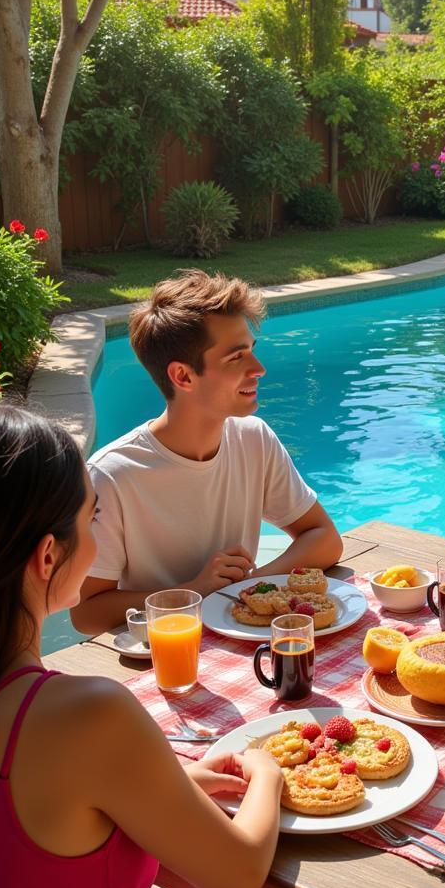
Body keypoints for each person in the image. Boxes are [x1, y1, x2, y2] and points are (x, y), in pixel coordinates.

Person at [0, 404, 285, 888]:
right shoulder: (86, 716)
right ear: (47, 556)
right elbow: (239, 875)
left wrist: (168, 783)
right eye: (92, 516)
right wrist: (268, 771)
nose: (99, 536)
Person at [73, 270, 343, 635]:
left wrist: (251, 587)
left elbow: (324, 538)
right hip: (164, 658)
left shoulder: (253, 439)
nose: (258, 369)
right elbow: (87, 614)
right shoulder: (113, 475)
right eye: (236, 358)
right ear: (183, 376)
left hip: (244, 642)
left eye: (252, 351)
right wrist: (193, 591)